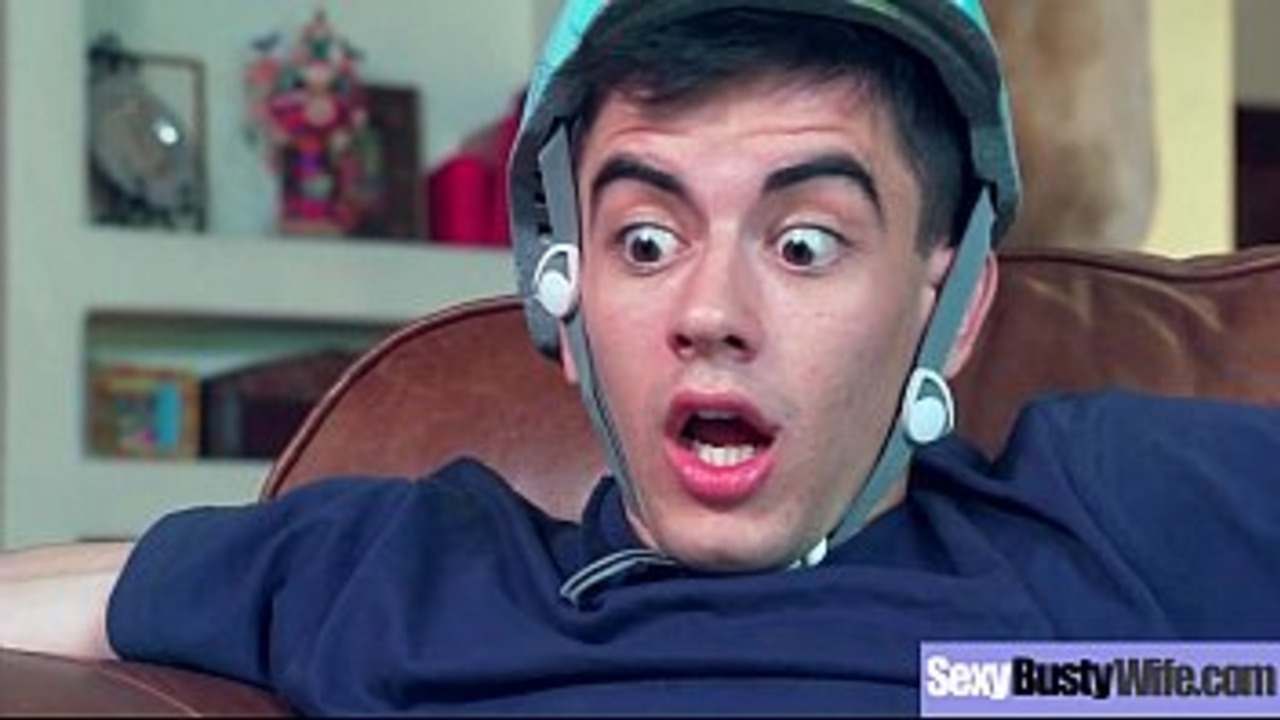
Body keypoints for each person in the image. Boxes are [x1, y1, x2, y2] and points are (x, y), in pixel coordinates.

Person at [3, 0, 1279, 715]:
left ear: (947, 303)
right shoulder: (410, 575)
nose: (709, 311)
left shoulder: (1118, 528)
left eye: (804, 242)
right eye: (648, 238)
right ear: (561, 296)